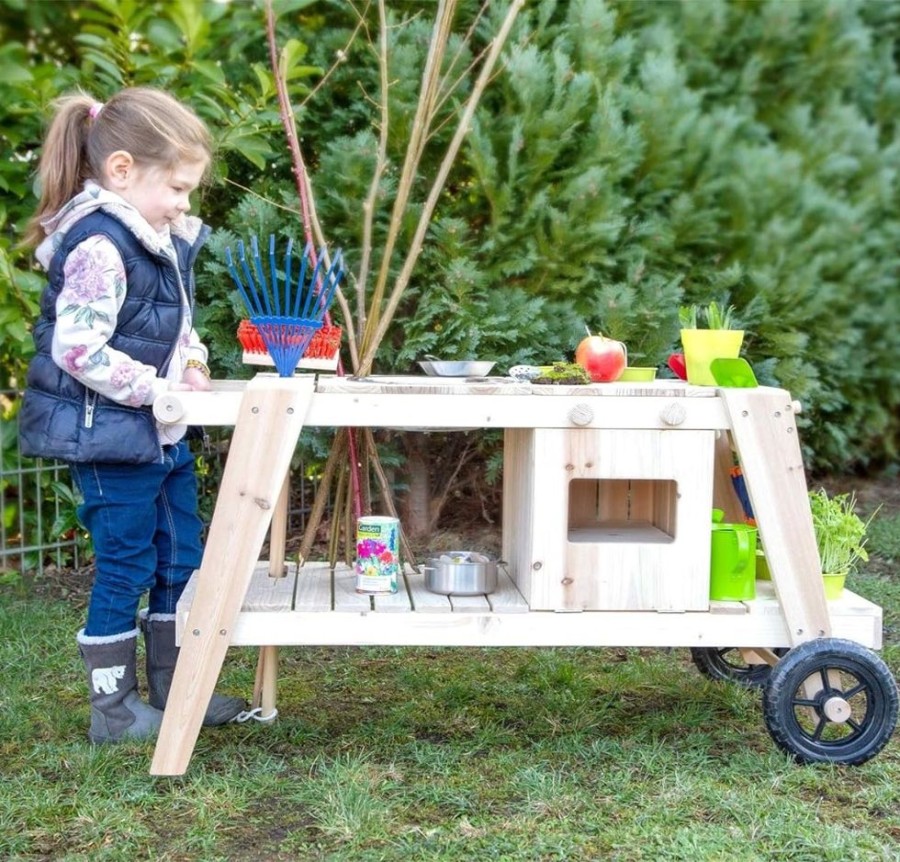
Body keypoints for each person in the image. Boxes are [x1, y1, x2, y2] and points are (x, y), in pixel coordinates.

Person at [19, 87, 244, 743]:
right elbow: (78, 348)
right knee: (127, 564)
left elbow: (178, 328)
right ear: (121, 170)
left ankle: (179, 687)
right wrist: (156, 391)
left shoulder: (157, 238)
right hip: (112, 440)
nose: (184, 204)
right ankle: (113, 712)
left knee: (181, 557)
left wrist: (195, 363)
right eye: (176, 187)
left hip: (162, 432)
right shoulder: (99, 245)